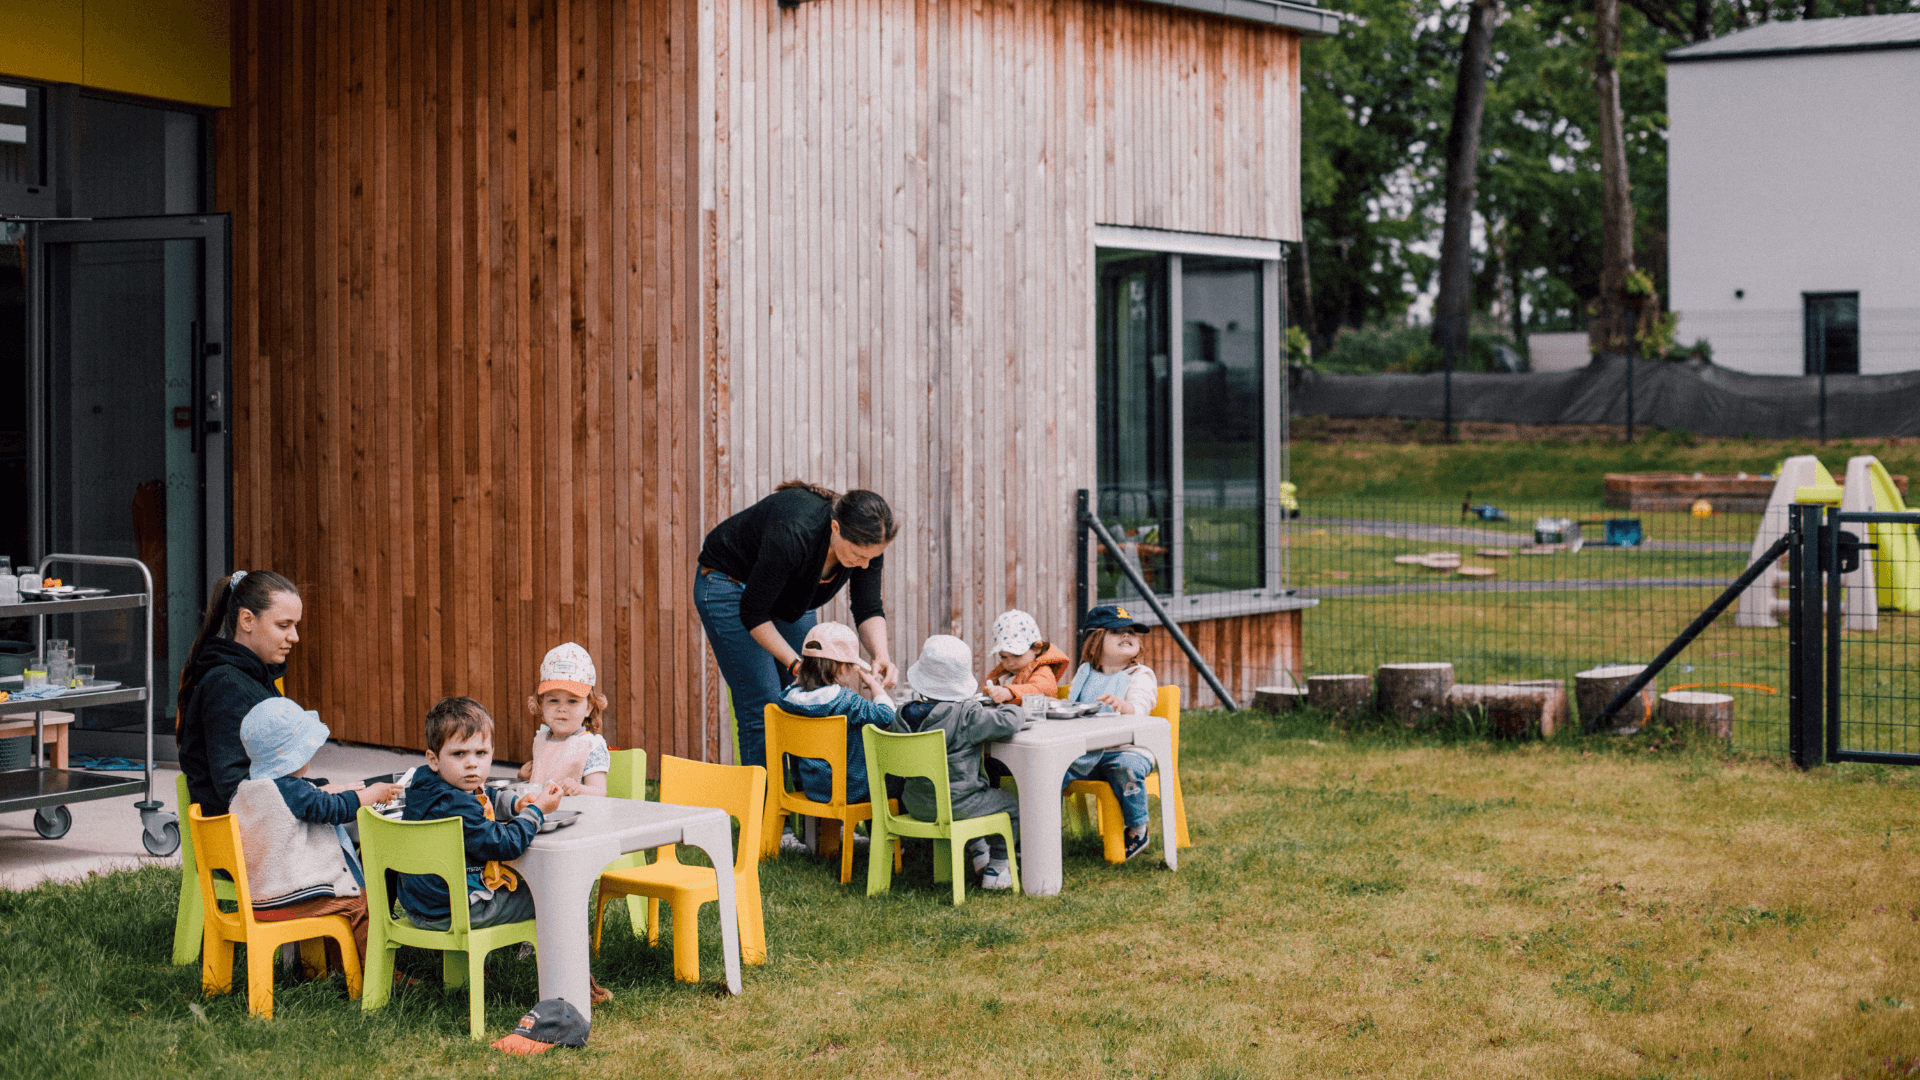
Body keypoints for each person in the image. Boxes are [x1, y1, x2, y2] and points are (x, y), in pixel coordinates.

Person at [696, 481, 900, 775]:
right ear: (835, 528)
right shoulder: (794, 534)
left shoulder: (867, 545)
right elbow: (753, 613)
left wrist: (881, 654)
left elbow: (868, 606)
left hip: (788, 596)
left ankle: (808, 809)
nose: (865, 565)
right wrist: (795, 663)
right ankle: (769, 816)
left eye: (872, 557)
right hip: (729, 585)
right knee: (764, 704)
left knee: (813, 690)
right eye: (858, 555)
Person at [229, 698, 401, 975]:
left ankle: (340, 967)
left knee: (345, 899)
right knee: (359, 902)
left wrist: (332, 789)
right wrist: (368, 796)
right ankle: (378, 975)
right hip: (291, 897)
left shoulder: (248, 790)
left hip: (257, 898)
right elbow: (332, 809)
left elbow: (306, 798)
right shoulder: (292, 791)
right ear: (297, 754)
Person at [398, 697, 560, 932]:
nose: (471, 763)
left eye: (480, 753)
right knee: (547, 895)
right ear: (434, 759)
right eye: (459, 754)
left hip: (422, 905)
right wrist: (536, 812)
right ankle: (559, 962)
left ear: (492, 752)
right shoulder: (454, 804)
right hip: (454, 910)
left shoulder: (428, 786)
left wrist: (514, 805)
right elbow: (506, 843)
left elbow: (484, 794)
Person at [885, 635, 1023, 890]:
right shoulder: (966, 716)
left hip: (917, 804)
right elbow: (1009, 722)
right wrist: (1009, 704)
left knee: (977, 801)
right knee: (1010, 805)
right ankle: (997, 868)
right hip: (959, 805)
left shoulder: (901, 716)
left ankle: (979, 849)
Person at [177, 570, 303, 816]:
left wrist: (321, 791)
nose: (294, 637)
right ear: (247, 620)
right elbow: (239, 790)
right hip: (240, 836)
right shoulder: (227, 686)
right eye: (283, 625)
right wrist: (323, 798)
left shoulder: (254, 677)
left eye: (295, 626)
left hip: (258, 823)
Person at [777, 622, 897, 859]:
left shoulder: (788, 699)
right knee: (893, 778)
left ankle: (829, 841)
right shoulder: (846, 701)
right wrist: (875, 686)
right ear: (841, 668)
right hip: (849, 788)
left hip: (813, 786)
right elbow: (886, 715)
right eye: (851, 666)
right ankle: (889, 849)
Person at [1060, 605, 1161, 861]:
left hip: (1128, 749)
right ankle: (1039, 831)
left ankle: (1138, 828)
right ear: (1095, 640)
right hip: (1088, 751)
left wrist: (1124, 706)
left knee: (1123, 767)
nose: (1126, 635)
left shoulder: (1139, 675)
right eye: (1116, 632)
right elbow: (1074, 706)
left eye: (1131, 632)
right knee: (1051, 768)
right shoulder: (1085, 674)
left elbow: (1141, 708)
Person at [514, 643, 612, 796]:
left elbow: (599, 792)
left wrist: (578, 788)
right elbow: (541, 784)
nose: (562, 708)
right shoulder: (541, 741)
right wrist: (526, 779)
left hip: (580, 816)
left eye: (572, 701)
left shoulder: (590, 746)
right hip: (542, 816)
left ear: (589, 707)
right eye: (553, 701)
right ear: (541, 704)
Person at [981, 609, 1071, 705]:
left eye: (1017, 655)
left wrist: (1010, 692)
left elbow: (1040, 689)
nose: (1010, 662)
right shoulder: (1015, 671)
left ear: (1037, 648)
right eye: (1004, 657)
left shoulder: (1042, 670)